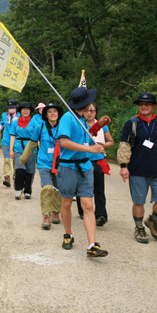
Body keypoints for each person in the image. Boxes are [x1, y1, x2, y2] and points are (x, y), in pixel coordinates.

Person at [117, 93, 157, 244]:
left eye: (147, 104)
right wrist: (124, 166)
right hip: (137, 170)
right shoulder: (131, 124)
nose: (144, 106)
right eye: (141, 104)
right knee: (139, 201)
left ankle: (153, 220)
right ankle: (139, 227)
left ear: (154, 106)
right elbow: (124, 146)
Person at [56, 87, 109, 258]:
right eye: (88, 106)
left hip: (86, 167)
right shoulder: (67, 118)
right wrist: (90, 149)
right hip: (68, 167)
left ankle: (92, 245)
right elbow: (63, 142)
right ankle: (68, 234)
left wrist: (98, 125)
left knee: (88, 206)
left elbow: (86, 134)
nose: (90, 109)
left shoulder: (83, 120)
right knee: (66, 204)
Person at [19, 103, 63, 229]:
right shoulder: (40, 127)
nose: (53, 114)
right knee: (47, 188)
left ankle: (56, 212)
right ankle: (46, 215)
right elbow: (32, 144)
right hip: (44, 163)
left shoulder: (63, 127)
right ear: (46, 115)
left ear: (58, 114)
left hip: (60, 163)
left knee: (58, 188)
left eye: (55, 111)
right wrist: (23, 158)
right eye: (50, 112)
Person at [75, 103, 114, 226]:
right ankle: (83, 210)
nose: (89, 113)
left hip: (97, 159)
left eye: (92, 110)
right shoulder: (80, 125)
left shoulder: (103, 126)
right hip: (83, 159)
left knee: (99, 187)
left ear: (96, 112)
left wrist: (101, 146)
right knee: (82, 187)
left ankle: (101, 214)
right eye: (86, 110)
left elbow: (110, 141)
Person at [10, 102, 39, 199]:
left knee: (30, 171)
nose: (25, 111)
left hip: (31, 148)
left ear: (30, 111)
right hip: (19, 147)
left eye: (28, 109)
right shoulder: (15, 122)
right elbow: (13, 136)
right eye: (23, 109)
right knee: (20, 169)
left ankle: (27, 190)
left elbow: (38, 138)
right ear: (20, 111)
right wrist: (11, 150)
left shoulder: (34, 123)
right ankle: (18, 189)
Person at [0, 100, 19, 187]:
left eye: (13, 108)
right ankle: (7, 178)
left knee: (15, 160)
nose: (11, 109)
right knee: (6, 160)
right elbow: (2, 123)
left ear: (16, 108)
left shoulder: (20, 116)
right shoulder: (4, 115)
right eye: (10, 108)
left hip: (16, 141)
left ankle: (16, 174)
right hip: (6, 140)